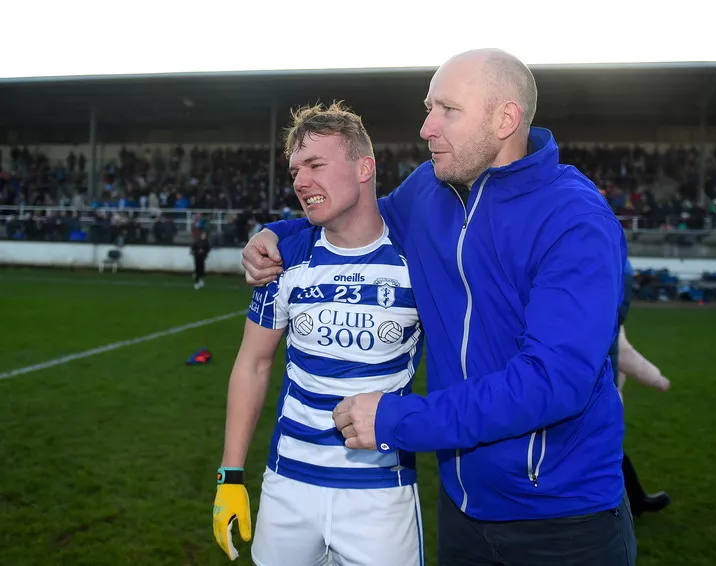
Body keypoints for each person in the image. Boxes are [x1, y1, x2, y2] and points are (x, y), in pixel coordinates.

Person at [242, 49, 636, 565]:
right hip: (462, 510)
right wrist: (277, 235)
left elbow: (552, 381)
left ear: (505, 119)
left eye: (447, 110)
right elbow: (362, 218)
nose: (426, 127)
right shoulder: (431, 190)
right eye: (428, 108)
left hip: (562, 522)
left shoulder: (574, 219)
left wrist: (400, 421)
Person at [212, 102, 425, 566]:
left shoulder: (418, 262)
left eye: (315, 165)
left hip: (380, 495)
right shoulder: (284, 260)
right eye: (294, 172)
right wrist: (230, 476)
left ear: (364, 167)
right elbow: (253, 362)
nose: (301, 181)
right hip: (288, 487)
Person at [615, 259, 672, 517]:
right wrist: (656, 378)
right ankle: (633, 502)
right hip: (595, 402)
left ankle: (635, 500)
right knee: (608, 454)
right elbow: (625, 355)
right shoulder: (604, 311)